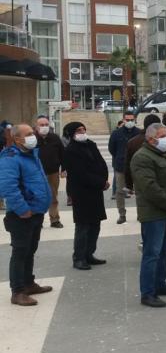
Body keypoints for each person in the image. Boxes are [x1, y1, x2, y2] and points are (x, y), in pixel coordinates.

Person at [130, 123, 166, 308]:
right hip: (154, 213)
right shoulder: (142, 157)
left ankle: (160, 284)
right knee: (152, 253)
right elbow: (150, 188)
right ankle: (147, 293)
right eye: (162, 136)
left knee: (165, 250)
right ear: (150, 139)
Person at [0, 124, 53, 306]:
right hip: (22, 215)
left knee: (30, 250)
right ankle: (18, 291)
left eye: (33, 133)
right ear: (17, 139)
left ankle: (28, 284)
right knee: (20, 252)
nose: (34, 136)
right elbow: (7, 187)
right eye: (29, 134)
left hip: (35, 212)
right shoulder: (10, 157)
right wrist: (22, 209)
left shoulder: (31, 154)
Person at [62, 122, 108, 270]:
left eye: (83, 129)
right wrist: (101, 182)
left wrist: (104, 180)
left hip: (95, 191)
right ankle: (79, 257)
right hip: (81, 192)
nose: (82, 132)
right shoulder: (70, 150)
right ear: (71, 134)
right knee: (83, 226)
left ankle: (89, 253)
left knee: (95, 224)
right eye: (78, 130)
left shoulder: (91, 145)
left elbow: (101, 163)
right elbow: (80, 174)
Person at [107, 112, 140, 224]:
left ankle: (141, 213)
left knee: (140, 191)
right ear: (123, 120)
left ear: (135, 120)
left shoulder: (139, 133)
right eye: (127, 119)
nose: (129, 122)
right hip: (121, 166)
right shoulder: (116, 133)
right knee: (120, 191)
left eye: (132, 119)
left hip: (137, 166)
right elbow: (112, 149)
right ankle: (122, 214)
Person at [34, 115, 64, 228]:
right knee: (38, 196)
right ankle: (38, 220)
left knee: (53, 196)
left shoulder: (55, 138)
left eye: (46, 125)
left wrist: (64, 168)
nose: (44, 127)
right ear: (36, 127)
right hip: (37, 173)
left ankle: (55, 219)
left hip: (53, 172)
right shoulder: (32, 139)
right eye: (42, 125)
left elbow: (62, 153)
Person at [124, 114, 160, 192]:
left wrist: (129, 184)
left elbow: (127, 165)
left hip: (140, 182)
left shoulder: (132, 142)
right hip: (159, 180)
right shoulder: (161, 141)